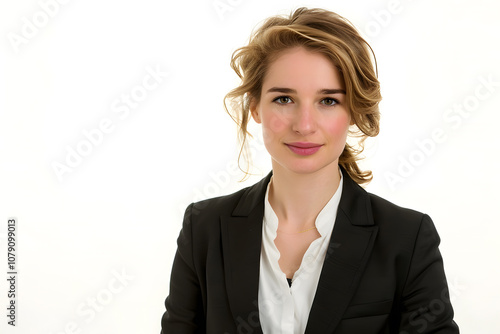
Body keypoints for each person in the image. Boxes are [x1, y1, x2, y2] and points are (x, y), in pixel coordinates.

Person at [160, 7, 459, 334]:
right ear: (255, 105)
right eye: (284, 99)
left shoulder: (407, 238)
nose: (304, 125)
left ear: (354, 110)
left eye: (328, 101)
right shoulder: (203, 228)